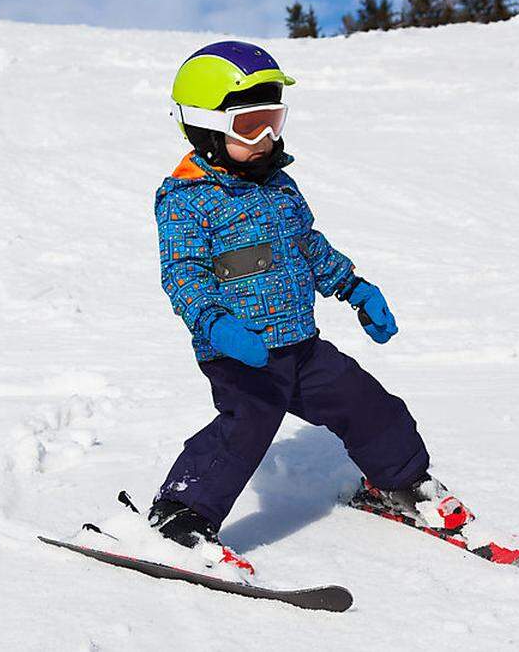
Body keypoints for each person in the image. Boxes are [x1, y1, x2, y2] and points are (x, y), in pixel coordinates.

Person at [149, 41, 465, 575]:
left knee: (370, 404)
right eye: (251, 126)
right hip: (240, 353)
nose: (268, 137)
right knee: (247, 423)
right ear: (204, 127)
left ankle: (400, 483)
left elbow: (307, 247)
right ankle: (178, 514)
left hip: (302, 345)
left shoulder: (280, 185)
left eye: (274, 120)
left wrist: (355, 288)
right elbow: (183, 274)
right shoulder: (186, 198)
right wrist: (214, 324)